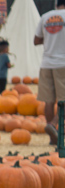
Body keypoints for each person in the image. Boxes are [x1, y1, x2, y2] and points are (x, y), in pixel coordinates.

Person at [34, 1, 65, 145]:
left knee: (49, 101)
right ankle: (53, 125)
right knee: (63, 101)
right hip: (63, 63)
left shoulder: (45, 17)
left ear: (57, 4)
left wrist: (51, 39)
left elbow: (36, 40)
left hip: (46, 63)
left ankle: (52, 138)